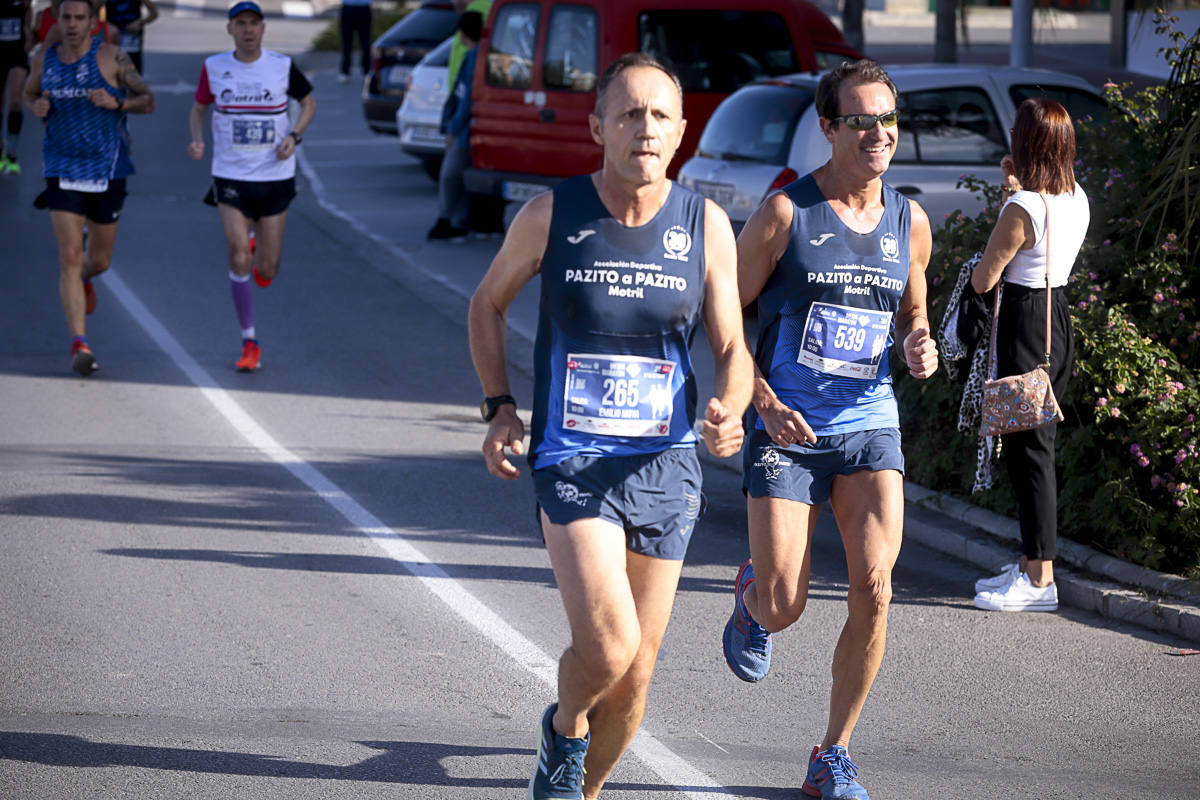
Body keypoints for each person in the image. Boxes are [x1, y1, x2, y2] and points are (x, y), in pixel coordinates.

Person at [468, 52, 751, 800]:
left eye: (660, 115)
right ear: (598, 126)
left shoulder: (707, 226)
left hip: (666, 467)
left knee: (634, 681)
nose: (645, 128)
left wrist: (733, 408)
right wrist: (500, 407)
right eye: (629, 113)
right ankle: (564, 727)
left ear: (683, 130)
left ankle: (576, 789)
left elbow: (733, 349)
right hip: (573, 461)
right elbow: (486, 305)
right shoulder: (551, 216)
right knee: (609, 646)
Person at [727, 59, 938, 800]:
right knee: (786, 607)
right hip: (790, 426)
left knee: (875, 590)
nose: (879, 133)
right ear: (829, 128)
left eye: (889, 120)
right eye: (862, 121)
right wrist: (758, 399)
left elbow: (912, 314)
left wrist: (920, 342)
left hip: (870, 423)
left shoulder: (910, 221)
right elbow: (724, 316)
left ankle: (833, 755)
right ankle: (754, 596)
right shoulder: (788, 213)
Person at [970, 98, 1089, 613]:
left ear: (1027, 144)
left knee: (1031, 454)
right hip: (1056, 319)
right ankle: (1028, 564)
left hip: (1023, 325)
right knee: (1031, 450)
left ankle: (1040, 581)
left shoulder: (1023, 208)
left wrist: (1008, 199)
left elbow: (984, 277)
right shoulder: (1076, 196)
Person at [23, 0, 154, 375]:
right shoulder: (43, 60)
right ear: (57, 20)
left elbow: (148, 101)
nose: (73, 24)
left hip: (108, 169)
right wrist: (36, 106)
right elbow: (29, 94)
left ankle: (83, 279)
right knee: (68, 253)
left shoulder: (113, 57)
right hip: (62, 166)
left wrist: (117, 102)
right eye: (66, 17)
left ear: (92, 22)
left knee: (98, 260)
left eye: (80, 17)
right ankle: (80, 344)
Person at [187, 0, 316, 372]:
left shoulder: (281, 66)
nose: (247, 30)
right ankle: (249, 341)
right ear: (230, 29)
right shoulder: (214, 67)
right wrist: (197, 140)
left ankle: (259, 252)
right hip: (230, 175)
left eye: (253, 24)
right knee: (238, 254)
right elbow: (198, 108)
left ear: (263, 29)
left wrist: (294, 135)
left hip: (274, 176)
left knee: (268, 270)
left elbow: (308, 104)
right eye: (240, 23)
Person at [426, 9, 480, 241]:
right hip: (466, 127)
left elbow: (466, 99)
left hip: (464, 130)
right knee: (458, 176)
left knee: (450, 175)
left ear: (462, 33)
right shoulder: (477, 54)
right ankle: (456, 220)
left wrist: (453, 129)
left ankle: (448, 220)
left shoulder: (474, 57)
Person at [0, 0, 30, 174]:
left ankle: (11, 152)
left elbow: (27, 14)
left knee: (16, 101)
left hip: (17, 52)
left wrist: (28, 32)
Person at [104, 0, 157, 75]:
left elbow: (154, 13)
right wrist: (107, 26)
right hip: (112, 40)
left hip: (131, 41)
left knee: (132, 74)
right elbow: (93, 10)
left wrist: (139, 22)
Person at [335, 0, 369, 84]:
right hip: (357, 9)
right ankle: (365, 73)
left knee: (361, 43)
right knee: (350, 43)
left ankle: (365, 72)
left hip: (355, 9)